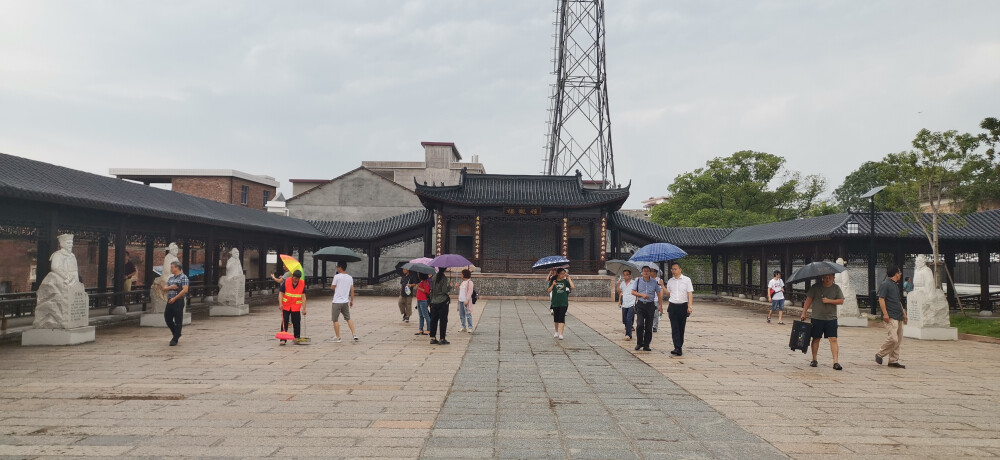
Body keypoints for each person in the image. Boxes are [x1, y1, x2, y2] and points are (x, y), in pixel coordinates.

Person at [800, 273, 845, 370]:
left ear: (833, 278)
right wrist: (804, 312)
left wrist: (829, 301)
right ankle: (814, 359)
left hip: (831, 318)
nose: (827, 279)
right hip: (817, 317)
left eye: (830, 277)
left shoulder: (836, 288)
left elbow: (841, 301)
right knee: (816, 338)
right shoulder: (815, 287)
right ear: (822, 278)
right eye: (825, 277)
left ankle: (835, 361)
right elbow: (808, 300)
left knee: (833, 339)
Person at [876, 266, 908, 369]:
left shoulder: (895, 285)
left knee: (898, 340)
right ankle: (880, 353)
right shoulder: (885, 284)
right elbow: (881, 299)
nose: (900, 274)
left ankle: (893, 360)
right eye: (899, 272)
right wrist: (885, 314)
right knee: (893, 338)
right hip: (891, 316)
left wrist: (904, 313)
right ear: (895, 274)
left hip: (898, 315)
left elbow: (898, 301)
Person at [664, 262, 695, 356]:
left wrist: (690, 306)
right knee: (674, 327)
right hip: (672, 306)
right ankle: (677, 347)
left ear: (680, 269)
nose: (673, 271)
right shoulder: (670, 281)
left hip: (683, 306)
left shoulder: (686, 280)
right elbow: (668, 293)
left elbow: (690, 293)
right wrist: (662, 286)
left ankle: (679, 346)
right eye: (672, 269)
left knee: (681, 327)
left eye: (675, 269)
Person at [631, 266, 663, 351]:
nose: (646, 273)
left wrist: (660, 306)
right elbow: (633, 292)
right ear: (641, 272)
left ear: (650, 273)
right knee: (640, 324)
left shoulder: (654, 282)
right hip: (641, 304)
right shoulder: (638, 281)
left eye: (648, 271)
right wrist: (642, 295)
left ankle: (646, 344)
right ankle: (639, 343)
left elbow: (659, 294)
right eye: (644, 271)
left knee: (649, 326)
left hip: (650, 305)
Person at [328, 262, 358, 342]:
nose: (337, 268)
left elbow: (332, 287)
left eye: (338, 267)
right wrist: (351, 300)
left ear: (340, 267)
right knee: (348, 318)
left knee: (335, 319)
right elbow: (352, 290)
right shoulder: (349, 277)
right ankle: (354, 334)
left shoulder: (337, 277)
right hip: (345, 301)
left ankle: (338, 337)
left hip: (337, 301)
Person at [161, 261, 189, 346]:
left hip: (178, 300)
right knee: (167, 318)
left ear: (177, 267)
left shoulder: (183, 277)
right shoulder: (171, 278)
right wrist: (171, 287)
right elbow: (164, 288)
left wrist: (175, 298)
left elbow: (185, 290)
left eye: (172, 267)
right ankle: (176, 333)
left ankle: (175, 339)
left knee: (178, 320)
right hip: (170, 300)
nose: (171, 269)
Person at [278, 269, 307, 345]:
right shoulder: (286, 281)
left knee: (297, 323)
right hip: (286, 305)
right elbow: (281, 293)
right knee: (285, 322)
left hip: (296, 306)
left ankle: (297, 338)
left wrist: (304, 308)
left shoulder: (302, 283)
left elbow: (303, 297)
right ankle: (283, 339)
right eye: (295, 278)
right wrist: (280, 304)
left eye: (298, 279)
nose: (296, 280)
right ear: (292, 276)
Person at [548, 267, 574, 340]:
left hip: (564, 302)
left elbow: (572, 287)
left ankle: (561, 334)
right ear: (558, 274)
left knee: (562, 318)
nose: (563, 275)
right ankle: (556, 332)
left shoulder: (565, 281)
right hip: (555, 302)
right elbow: (548, 291)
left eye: (564, 274)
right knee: (556, 318)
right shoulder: (553, 280)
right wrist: (553, 284)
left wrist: (569, 278)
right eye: (562, 274)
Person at [428, 268, 451, 345]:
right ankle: (442, 338)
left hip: (434, 302)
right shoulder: (443, 278)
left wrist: (430, 302)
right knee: (443, 320)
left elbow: (431, 290)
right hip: (442, 301)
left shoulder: (434, 277)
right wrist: (450, 286)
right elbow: (444, 290)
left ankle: (433, 338)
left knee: (433, 320)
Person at [617, 269, 637, 340]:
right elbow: (620, 292)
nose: (625, 276)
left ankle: (628, 334)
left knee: (629, 318)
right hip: (624, 303)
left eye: (627, 274)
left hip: (632, 303)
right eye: (624, 275)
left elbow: (637, 292)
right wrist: (618, 285)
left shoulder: (634, 283)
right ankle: (629, 326)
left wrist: (637, 300)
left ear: (630, 275)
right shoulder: (622, 283)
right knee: (625, 320)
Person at [457, 269, 475, 333]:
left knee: (468, 314)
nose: (461, 275)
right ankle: (463, 326)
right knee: (461, 314)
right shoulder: (462, 282)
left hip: (466, 301)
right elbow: (461, 291)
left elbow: (470, 291)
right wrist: (458, 286)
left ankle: (470, 327)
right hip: (461, 300)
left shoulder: (469, 282)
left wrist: (467, 299)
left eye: (462, 274)